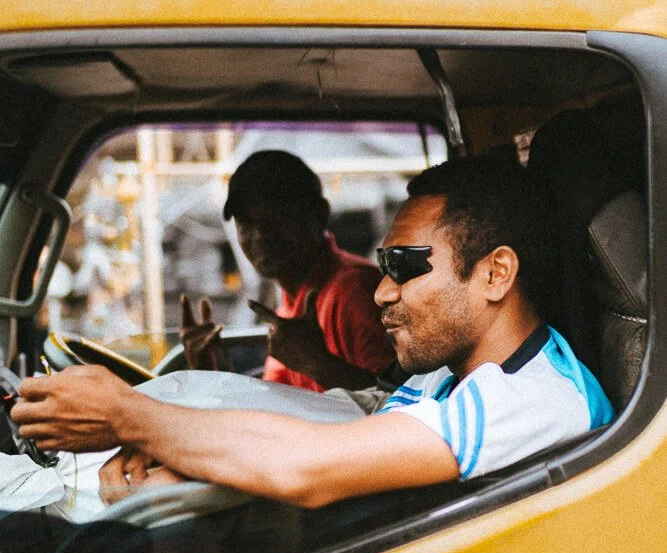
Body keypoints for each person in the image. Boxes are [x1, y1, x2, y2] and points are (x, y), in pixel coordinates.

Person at [12, 156, 614, 512]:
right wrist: (178, 454)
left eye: (404, 266)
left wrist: (126, 415)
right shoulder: (446, 376)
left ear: (495, 273)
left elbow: (308, 465)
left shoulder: (534, 399)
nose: (380, 291)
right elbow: (333, 421)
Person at [180, 150, 396, 390]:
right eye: (246, 223)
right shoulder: (291, 302)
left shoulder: (353, 292)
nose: (260, 234)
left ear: (320, 214)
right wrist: (215, 372)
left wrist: (317, 363)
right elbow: (278, 407)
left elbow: (399, 403)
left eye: (276, 217)